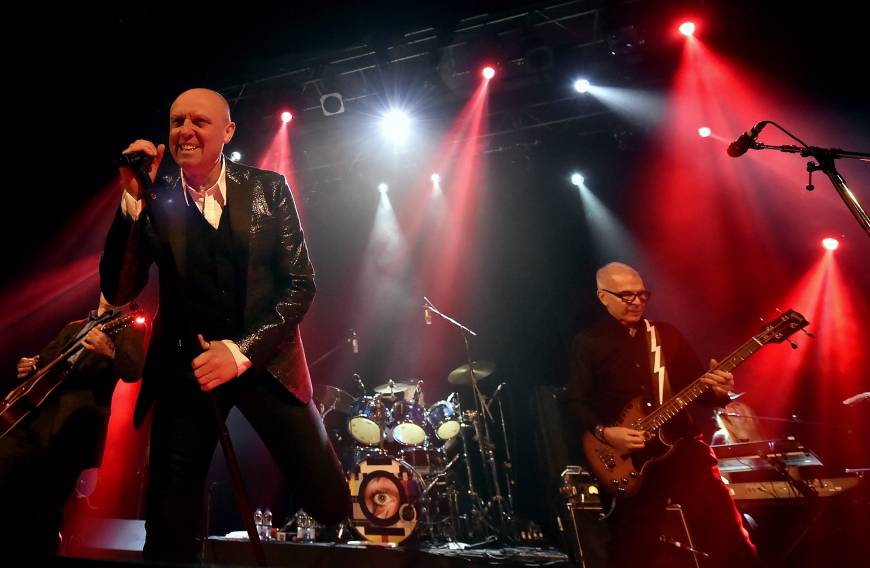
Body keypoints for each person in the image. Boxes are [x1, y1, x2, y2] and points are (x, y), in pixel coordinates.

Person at [100, 88, 349, 562]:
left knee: (329, 501)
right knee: (169, 523)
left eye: (199, 121)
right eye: (176, 122)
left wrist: (238, 352)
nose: (185, 131)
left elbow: (300, 285)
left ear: (228, 131)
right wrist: (132, 203)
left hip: (265, 361)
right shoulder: (158, 200)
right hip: (185, 370)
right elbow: (119, 289)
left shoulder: (269, 188)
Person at [566, 262, 758, 568]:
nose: (637, 302)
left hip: (683, 447)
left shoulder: (665, 334)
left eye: (642, 295)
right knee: (631, 548)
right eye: (626, 296)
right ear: (603, 297)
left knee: (729, 535)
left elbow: (703, 393)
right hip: (632, 459)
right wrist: (605, 433)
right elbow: (576, 402)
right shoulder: (588, 343)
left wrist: (720, 390)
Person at [0, 294, 145, 555]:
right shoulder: (74, 326)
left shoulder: (129, 326)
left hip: (73, 429)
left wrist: (109, 351)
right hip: (33, 422)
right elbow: (44, 362)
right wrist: (29, 366)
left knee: (45, 510)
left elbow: (134, 370)